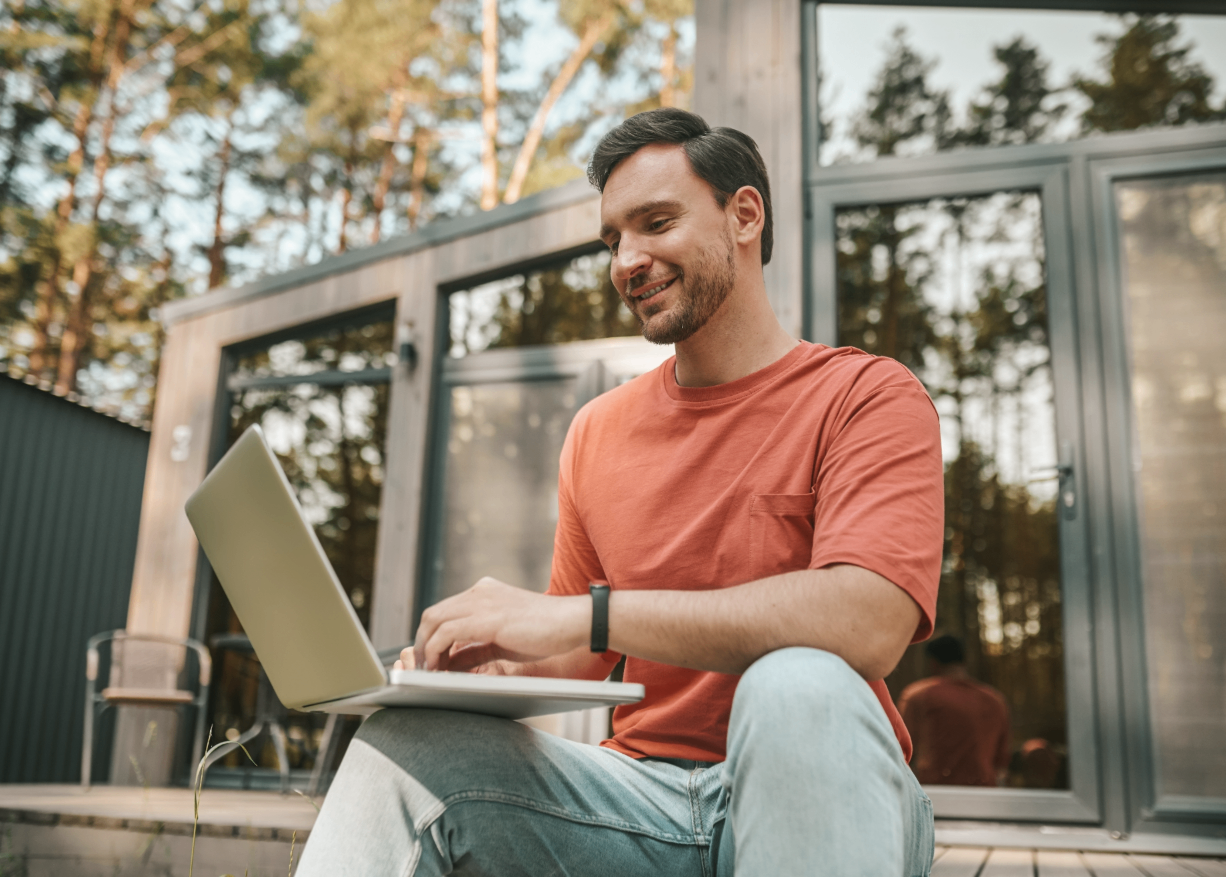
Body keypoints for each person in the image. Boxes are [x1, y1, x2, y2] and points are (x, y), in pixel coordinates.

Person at [294, 108, 945, 877]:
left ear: (744, 214)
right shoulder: (598, 431)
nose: (626, 260)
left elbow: (869, 622)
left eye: (656, 223)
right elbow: (577, 651)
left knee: (796, 680)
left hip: (830, 796)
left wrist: (586, 611)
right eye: (612, 240)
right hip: (641, 804)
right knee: (408, 748)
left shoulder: (865, 394)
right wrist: (482, 666)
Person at [896, 636, 1012, 787]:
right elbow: (1002, 761)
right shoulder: (995, 699)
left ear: (932, 662)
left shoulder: (919, 695)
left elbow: (900, 751)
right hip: (985, 796)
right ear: (963, 660)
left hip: (935, 795)